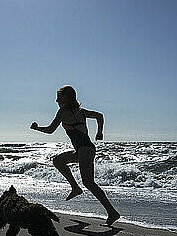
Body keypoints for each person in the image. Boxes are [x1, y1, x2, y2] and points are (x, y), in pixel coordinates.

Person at [30, 85, 121, 226]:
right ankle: (75, 188)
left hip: (85, 150)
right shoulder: (81, 112)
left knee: (89, 182)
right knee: (58, 161)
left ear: (65, 98)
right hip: (84, 150)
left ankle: (112, 212)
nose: (56, 100)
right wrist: (99, 132)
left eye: (58, 97)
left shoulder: (63, 111)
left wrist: (36, 128)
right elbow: (99, 116)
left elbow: (50, 130)